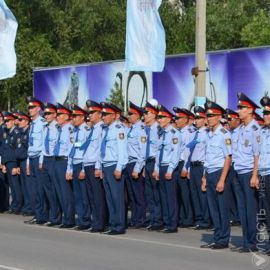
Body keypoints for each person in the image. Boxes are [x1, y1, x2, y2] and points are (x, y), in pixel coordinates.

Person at [231, 92, 260, 253]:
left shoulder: (255, 129)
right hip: (238, 172)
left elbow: (257, 154)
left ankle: (252, 242)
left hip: (249, 172)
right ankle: (246, 240)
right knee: (242, 209)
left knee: (250, 209)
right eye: (239, 107)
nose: (239, 110)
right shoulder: (239, 130)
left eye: (242, 108)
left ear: (250, 110)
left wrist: (255, 175)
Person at [200, 101, 232, 249]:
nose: (209, 118)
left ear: (219, 117)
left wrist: (222, 179)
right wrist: (204, 177)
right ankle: (217, 236)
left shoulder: (224, 134)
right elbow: (207, 158)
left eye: (211, 115)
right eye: (207, 115)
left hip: (220, 173)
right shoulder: (209, 134)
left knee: (222, 208)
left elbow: (228, 158)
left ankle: (223, 239)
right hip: (210, 172)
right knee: (213, 208)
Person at [100, 102, 128, 235]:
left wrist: (119, 168)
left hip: (114, 166)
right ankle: (113, 224)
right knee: (110, 198)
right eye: (103, 114)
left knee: (117, 197)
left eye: (106, 114)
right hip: (106, 166)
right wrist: (100, 167)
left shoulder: (119, 129)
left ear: (113, 115)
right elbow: (102, 150)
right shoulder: (106, 129)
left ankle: (119, 226)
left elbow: (123, 151)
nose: (103, 117)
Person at [153, 105, 180, 233]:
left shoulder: (174, 133)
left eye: (162, 117)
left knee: (170, 197)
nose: (159, 120)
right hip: (162, 167)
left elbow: (175, 153)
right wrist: (156, 169)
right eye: (159, 117)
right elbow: (158, 153)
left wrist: (170, 170)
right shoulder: (161, 133)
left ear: (169, 119)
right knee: (163, 197)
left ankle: (172, 224)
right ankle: (166, 221)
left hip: (170, 167)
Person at [83, 100, 107, 233]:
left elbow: (100, 150)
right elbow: (84, 147)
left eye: (92, 112)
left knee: (98, 196)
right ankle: (95, 221)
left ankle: (100, 223)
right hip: (87, 164)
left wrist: (98, 167)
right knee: (92, 196)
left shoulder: (101, 129)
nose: (90, 115)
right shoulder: (91, 129)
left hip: (94, 165)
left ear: (99, 113)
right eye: (89, 112)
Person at [25, 97, 47, 224]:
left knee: (40, 188)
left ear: (38, 109)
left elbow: (44, 144)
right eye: (29, 107)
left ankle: (42, 215)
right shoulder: (32, 123)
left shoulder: (42, 123)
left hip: (39, 157)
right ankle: (37, 214)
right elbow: (30, 145)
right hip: (32, 157)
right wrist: (28, 162)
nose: (30, 110)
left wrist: (41, 161)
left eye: (32, 107)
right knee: (33, 189)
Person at [125, 101, 147, 229]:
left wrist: (137, 168)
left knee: (138, 194)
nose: (129, 116)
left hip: (135, 163)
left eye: (131, 114)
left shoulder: (141, 130)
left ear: (138, 115)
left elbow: (142, 152)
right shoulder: (131, 129)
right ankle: (134, 218)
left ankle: (140, 219)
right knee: (132, 194)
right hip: (128, 163)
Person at [189, 106, 211, 230]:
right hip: (193, 166)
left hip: (201, 166)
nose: (196, 120)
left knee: (202, 194)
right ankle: (198, 219)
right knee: (195, 194)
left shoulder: (206, 134)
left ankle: (205, 219)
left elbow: (207, 154)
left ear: (204, 119)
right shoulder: (194, 133)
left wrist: (204, 173)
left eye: (198, 118)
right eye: (195, 117)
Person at [70, 104, 91, 230]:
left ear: (82, 117)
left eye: (76, 116)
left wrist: (83, 169)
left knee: (84, 195)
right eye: (73, 116)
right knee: (77, 194)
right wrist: (69, 168)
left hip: (82, 163)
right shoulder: (74, 131)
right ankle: (80, 219)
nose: (74, 119)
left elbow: (85, 150)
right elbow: (70, 149)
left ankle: (86, 220)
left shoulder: (86, 130)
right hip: (74, 163)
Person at [173, 107, 195, 227]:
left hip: (184, 164)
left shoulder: (189, 132)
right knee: (179, 193)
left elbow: (188, 151)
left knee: (186, 193)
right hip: (177, 163)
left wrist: (186, 168)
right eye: (175, 118)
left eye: (178, 118)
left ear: (185, 119)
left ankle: (188, 218)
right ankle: (181, 217)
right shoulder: (178, 132)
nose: (176, 120)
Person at [54, 103, 75, 229]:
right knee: (59, 191)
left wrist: (69, 167)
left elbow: (71, 149)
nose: (57, 116)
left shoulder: (69, 130)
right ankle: (65, 218)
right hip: (56, 161)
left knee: (66, 192)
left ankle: (69, 219)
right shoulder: (59, 129)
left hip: (64, 161)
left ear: (66, 116)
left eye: (60, 114)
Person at [41, 103, 62, 227]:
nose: (46, 115)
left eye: (49, 113)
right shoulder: (45, 127)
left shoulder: (58, 127)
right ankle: (52, 216)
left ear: (55, 114)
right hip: (46, 159)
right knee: (48, 189)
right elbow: (43, 146)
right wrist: (41, 161)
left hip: (54, 159)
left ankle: (56, 217)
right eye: (45, 114)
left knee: (55, 189)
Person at [143, 101, 163, 231]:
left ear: (154, 114)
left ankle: (159, 220)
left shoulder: (158, 129)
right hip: (148, 162)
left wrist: (156, 168)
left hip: (156, 162)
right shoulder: (147, 129)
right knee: (149, 193)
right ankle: (153, 218)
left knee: (157, 193)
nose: (144, 115)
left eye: (146, 113)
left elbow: (159, 150)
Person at [1, 112, 22, 214]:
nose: (6, 123)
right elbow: (4, 149)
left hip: (13, 162)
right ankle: (14, 205)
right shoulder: (7, 133)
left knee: (16, 186)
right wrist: (4, 163)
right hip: (8, 162)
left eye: (8, 121)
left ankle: (18, 206)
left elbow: (17, 151)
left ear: (14, 121)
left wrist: (16, 165)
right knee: (12, 187)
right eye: (5, 121)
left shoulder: (16, 133)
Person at [258, 95, 270, 255]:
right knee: (267, 210)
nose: (265, 116)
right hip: (264, 174)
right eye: (264, 113)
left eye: (268, 113)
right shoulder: (263, 132)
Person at [225, 109, 241, 227]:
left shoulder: (241, 131)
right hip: (231, 166)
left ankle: (241, 216)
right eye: (228, 119)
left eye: (230, 119)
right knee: (230, 192)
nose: (228, 121)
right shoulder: (229, 133)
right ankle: (234, 216)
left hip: (240, 166)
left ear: (237, 119)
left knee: (239, 194)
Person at [16, 112, 33, 216]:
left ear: (27, 121)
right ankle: (27, 207)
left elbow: (28, 148)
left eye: (21, 120)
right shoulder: (20, 133)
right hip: (21, 162)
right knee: (23, 186)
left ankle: (31, 207)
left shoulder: (29, 132)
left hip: (27, 161)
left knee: (29, 186)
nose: (19, 122)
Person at [0, 111, 9, 213]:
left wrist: (2, 161)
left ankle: (3, 205)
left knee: (3, 184)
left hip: (2, 158)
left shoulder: (3, 129)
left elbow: (3, 147)